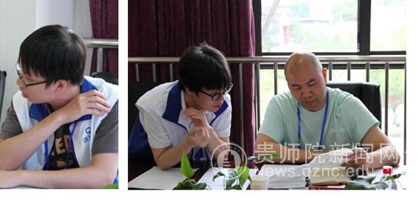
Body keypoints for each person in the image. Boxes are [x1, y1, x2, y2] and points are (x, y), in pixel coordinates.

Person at [0, 25, 118, 189]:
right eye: (20, 72)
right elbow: (0, 163)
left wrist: (21, 176)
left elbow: (102, 176)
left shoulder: (110, 102)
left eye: (28, 79)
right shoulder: (23, 100)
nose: (19, 83)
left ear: (60, 85)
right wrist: (59, 117)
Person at [256, 52, 399, 168]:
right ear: (288, 84)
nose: (306, 94)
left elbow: (392, 153)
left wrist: (367, 160)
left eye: (311, 84)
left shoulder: (346, 105)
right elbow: (262, 150)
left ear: (324, 75)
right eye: (297, 87)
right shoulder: (280, 105)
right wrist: (324, 156)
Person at [129, 43, 232, 169]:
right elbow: (162, 162)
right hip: (146, 167)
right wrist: (188, 143)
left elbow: (223, 155)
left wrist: (206, 127)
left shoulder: (222, 102)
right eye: (214, 94)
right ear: (189, 89)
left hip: (197, 167)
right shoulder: (154, 106)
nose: (222, 98)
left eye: (224, 90)